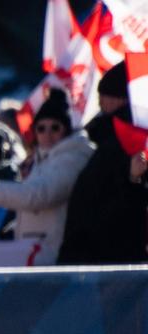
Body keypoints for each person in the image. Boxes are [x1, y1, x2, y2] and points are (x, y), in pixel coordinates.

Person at [0, 89, 94, 265]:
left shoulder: (72, 158)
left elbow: (40, 195)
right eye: (41, 128)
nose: (47, 134)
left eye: (55, 127)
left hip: (56, 255)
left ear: (67, 130)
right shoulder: (42, 160)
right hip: (37, 251)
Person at [58, 61, 148, 264]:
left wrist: (133, 178)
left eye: (103, 94)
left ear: (120, 98)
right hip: (105, 254)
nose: (99, 103)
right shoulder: (112, 136)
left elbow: (126, 198)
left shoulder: (127, 138)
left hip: (110, 257)